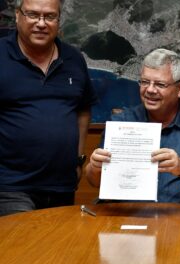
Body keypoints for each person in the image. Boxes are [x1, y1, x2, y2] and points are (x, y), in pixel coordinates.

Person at [85, 48, 180, 204]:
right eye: (144, 82)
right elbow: (95, 181)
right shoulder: (121, 122)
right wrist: (94, 167)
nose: (149, 90)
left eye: (160, 84)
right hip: (126, 216)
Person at [0, 0, 97, 216]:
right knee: (24, 245)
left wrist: (79, 159)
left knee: (55, 248)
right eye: (33, 15)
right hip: (10, 187)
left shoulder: (73, 58)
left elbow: (83, 109)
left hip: (61, 186)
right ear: (18, 15)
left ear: (59, 20)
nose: (41, 23)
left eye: (50, 16)